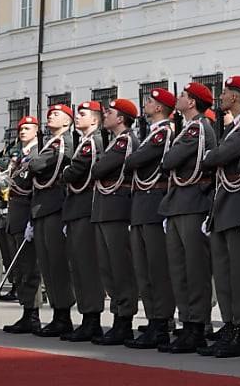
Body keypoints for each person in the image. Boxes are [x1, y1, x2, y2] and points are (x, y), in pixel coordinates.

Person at [200, 76, 240, 358]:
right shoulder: (233, 126)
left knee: (238, 273)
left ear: (234, 97)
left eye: (224, 92)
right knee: (223, 272)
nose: (220, 97)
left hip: (238, 203)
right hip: (223, 204)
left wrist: (214, 154)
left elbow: (218, 156)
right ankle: (229, 323)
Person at [160, 82, 218, 354]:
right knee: (179, 270)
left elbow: (169, 161)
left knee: (194, 271)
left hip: (193, 203)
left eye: (183, 95)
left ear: (192, 102)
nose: (178, 99)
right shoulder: (187, 128)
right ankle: (187, 322)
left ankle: (197, 325)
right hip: (178, 203)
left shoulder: (198, 128)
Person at [125, 92, 176, 349]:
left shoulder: (163, 133)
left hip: (154, 203)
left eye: (149, 102)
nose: (145, 105)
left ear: (159, 108)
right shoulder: (151, 133)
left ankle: (161, 322)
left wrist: (133, 160)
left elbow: (134, 160)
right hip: (141, 205)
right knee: (143, 270)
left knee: (157, 270)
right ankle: (154, 318)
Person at [88, 98, 140, 346]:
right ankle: (118, 315)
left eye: (109, 112)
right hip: (104, 208)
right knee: (108, 269)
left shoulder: (125, 141)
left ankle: (124, 321)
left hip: (117, 209)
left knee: (120, 269)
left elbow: (98, 170)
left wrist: (98, 166)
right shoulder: (114, 142)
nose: (105, 116)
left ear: (120, 118)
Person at [59, 101, 107, 343]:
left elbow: (74, 171)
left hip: (85, 208)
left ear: (95, 120)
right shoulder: (84, 142)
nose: (78, 117)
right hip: (76, 208)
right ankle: (87, 316)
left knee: (87, 267)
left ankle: (92, 319)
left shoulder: (93, 142)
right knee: (78, 266)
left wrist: (66, 172)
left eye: (83, 114)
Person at [29, 104, 75, 338]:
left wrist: (34, 163)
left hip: (56, 205)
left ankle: (63, 315)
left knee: (57, 265)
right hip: (42, 206)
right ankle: (57, 312)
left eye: (56, 114)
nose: (51, 116)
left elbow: (35, 165)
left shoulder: (64, 142)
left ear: (67, 121)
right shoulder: (50, 143)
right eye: (49, 114)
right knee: (47, 264)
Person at [2, 117, 44, 334]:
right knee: (19, 268)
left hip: (26, 214)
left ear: (36, 131)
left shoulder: (37, 153)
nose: (22, 131)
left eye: (27, 128)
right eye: (21, 128)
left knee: (29, 269)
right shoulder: (21, 155)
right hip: (15, 217)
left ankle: (32, 314)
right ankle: (26, 310)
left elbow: (36, 189)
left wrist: (32, 219)